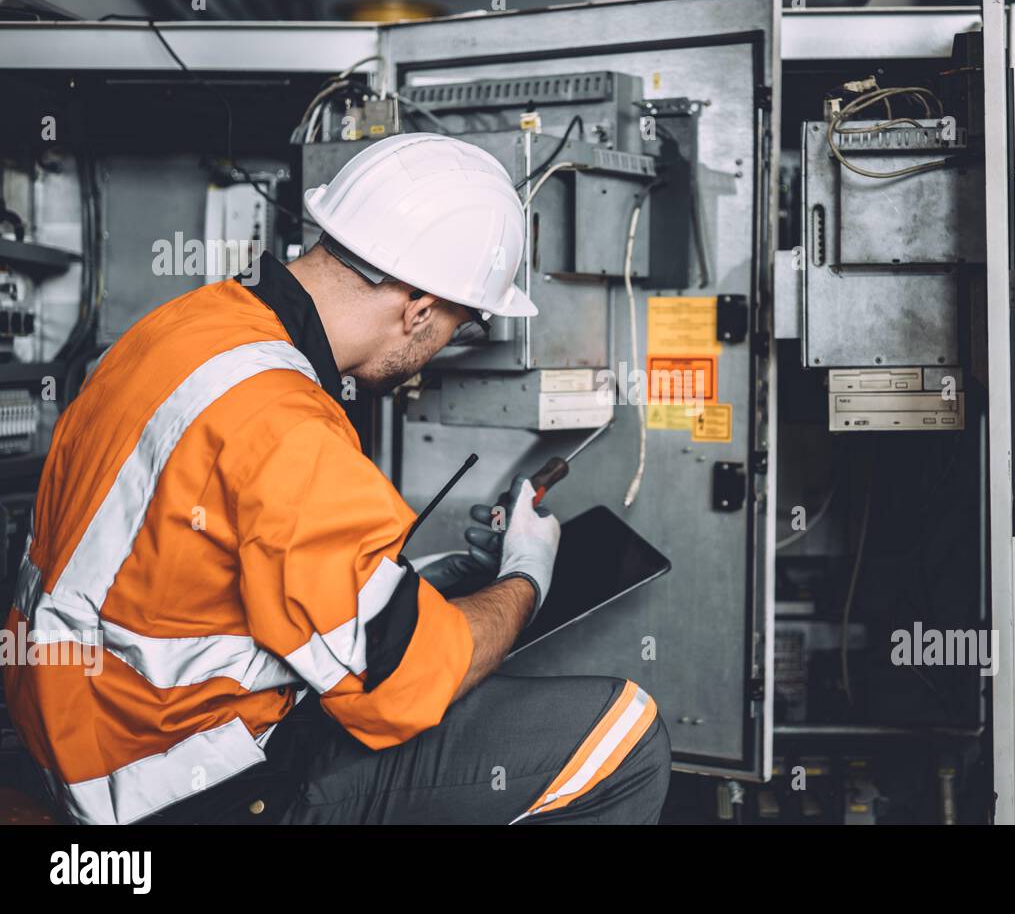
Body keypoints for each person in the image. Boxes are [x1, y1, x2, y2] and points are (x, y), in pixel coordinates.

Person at [1, 133, 670, 825]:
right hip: (173, 781)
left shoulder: (184, 330)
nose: (445, 346)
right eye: (460, 324)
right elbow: (403, 687)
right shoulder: (291, 424)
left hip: (76, 733)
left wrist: (432, 579)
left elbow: (200, 566)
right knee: (624, 736)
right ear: (417, 307)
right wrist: (527, 577)